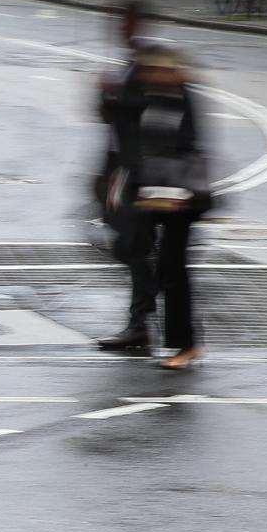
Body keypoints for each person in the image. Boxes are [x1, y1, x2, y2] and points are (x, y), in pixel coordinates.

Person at [101, 46, 210, 369]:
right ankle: (177, 339)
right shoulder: (158, 94)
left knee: (172, 269)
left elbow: (183, 144)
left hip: (181, 198)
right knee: (154, 261)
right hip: (156, 194)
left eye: (154, 71)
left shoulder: (181, 97)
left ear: (171, 72)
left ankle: (186, 345)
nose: (148, 77)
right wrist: (109, 99)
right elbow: (129, 123)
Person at [96, 1, 162, 351]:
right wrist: (104, 99)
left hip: (137, 169)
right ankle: (144, 311)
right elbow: (113, 116)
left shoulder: (149, 63)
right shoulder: (130, 61)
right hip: (120, 163)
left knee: (131, 244)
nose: (119, 28)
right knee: (130, 243)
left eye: (125, 22)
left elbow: (143, 111)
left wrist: (114, 96)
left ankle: (142, 319)